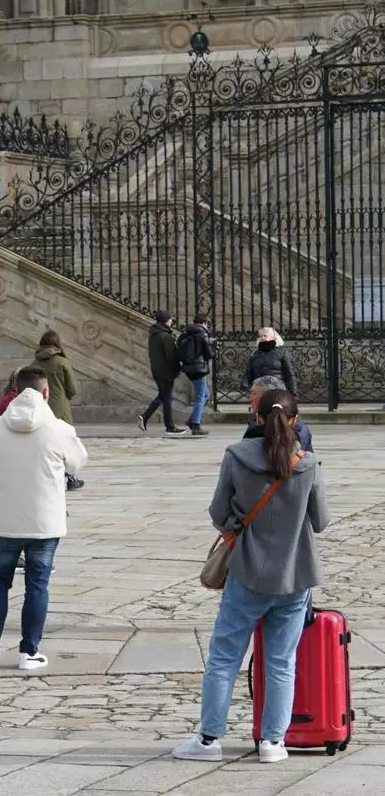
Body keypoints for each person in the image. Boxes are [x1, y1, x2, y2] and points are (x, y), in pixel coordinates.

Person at [173, 389, 329, 765]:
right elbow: (320, 521)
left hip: (246, 571)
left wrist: (234, 527)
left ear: (256, 418)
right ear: (295, 421)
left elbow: (217, 509)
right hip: (294, 574)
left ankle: (209, 739)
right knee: (280, 661)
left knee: (224, 657)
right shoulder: (308, 464)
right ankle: (273, 742)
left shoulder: (236, 457)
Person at [0, 366, 88, 671]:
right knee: (38, 586)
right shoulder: (59, 428)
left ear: (17, 392)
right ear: (45, 393)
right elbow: (79, 461)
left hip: (6, 520)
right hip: (45, 522)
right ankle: (28, 652)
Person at [32, 330, 84, 491]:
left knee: (43, 443)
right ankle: (69, 477)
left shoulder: (33, 364)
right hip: (60, 408)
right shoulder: (62, 362)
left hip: (40, 407)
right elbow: (72, 389)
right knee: (65, 443)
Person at [138, 309, 185, 436]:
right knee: (166, 398)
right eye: (170, 319)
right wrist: (178, 368)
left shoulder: (154, 335)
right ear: (166, 321)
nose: (171, 321)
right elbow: (170, 356)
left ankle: (146, 417)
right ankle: (168, 426)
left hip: (157, 370)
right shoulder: (166, 336)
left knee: (163, 397)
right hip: (166, 371)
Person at [244, 375, 314, 452]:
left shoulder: (256, 431)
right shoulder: (302, 428)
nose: (250, 399)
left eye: (254, 394)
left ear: (269, 397)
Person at [177, 313, 216, 437]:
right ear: (204, 323)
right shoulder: (202, 334)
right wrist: (214, 347)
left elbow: (178, 346)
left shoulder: (185, 333)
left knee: (206, 394)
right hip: (199, 367)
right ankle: (195, 425)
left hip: (188, 367)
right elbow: (209, 354)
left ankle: (192, 419)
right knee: (200, 396)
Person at [242, 327, 297, 395]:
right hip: (259, 388)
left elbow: (289, 372)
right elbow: (249, 372)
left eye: (265, 336)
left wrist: (292, 391)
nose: (262, 338)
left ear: (273, 337)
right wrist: (245, 385)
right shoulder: (255, 353)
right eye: (260, 336)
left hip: (277, 388)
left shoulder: (282, 352)